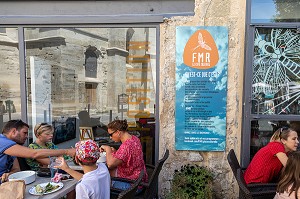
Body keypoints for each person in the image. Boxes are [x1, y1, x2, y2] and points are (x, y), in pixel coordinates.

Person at [0, 119, 75, 183]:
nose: (27, 136)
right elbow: (34, 153)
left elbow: (16, 169)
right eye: (24, 133)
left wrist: (10, 174)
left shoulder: (13, 147)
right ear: (13, 132)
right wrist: (66, 151)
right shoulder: (2, 141)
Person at [100, 119, 148, 191]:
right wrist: (115, 151)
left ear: (118, 132)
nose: (110, 137)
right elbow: (127, 156)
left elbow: (110, 164)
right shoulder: (134, 139)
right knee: (108, 173)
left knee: (101, 183)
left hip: (132, 186)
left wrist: (108, 149)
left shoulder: (126, 146)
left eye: (111, 134)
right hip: (139, 181)